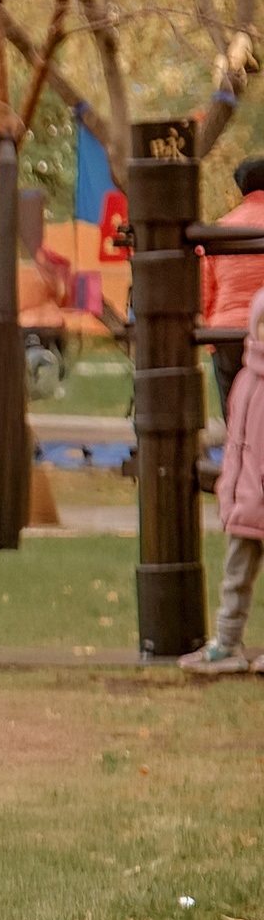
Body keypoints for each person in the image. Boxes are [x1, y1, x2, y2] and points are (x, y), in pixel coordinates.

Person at [181, 288, 264, 672]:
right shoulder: (246, 382)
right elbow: (235, 444)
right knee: (235, 577)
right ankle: (227, 643)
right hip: (245, 502)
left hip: (257, 497)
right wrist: (228, 488)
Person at [202, 157, 264, 413]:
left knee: (235, 414)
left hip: (226, 330)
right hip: (262, 329)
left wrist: (209, 335)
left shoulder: (221, 229)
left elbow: (205, 290)